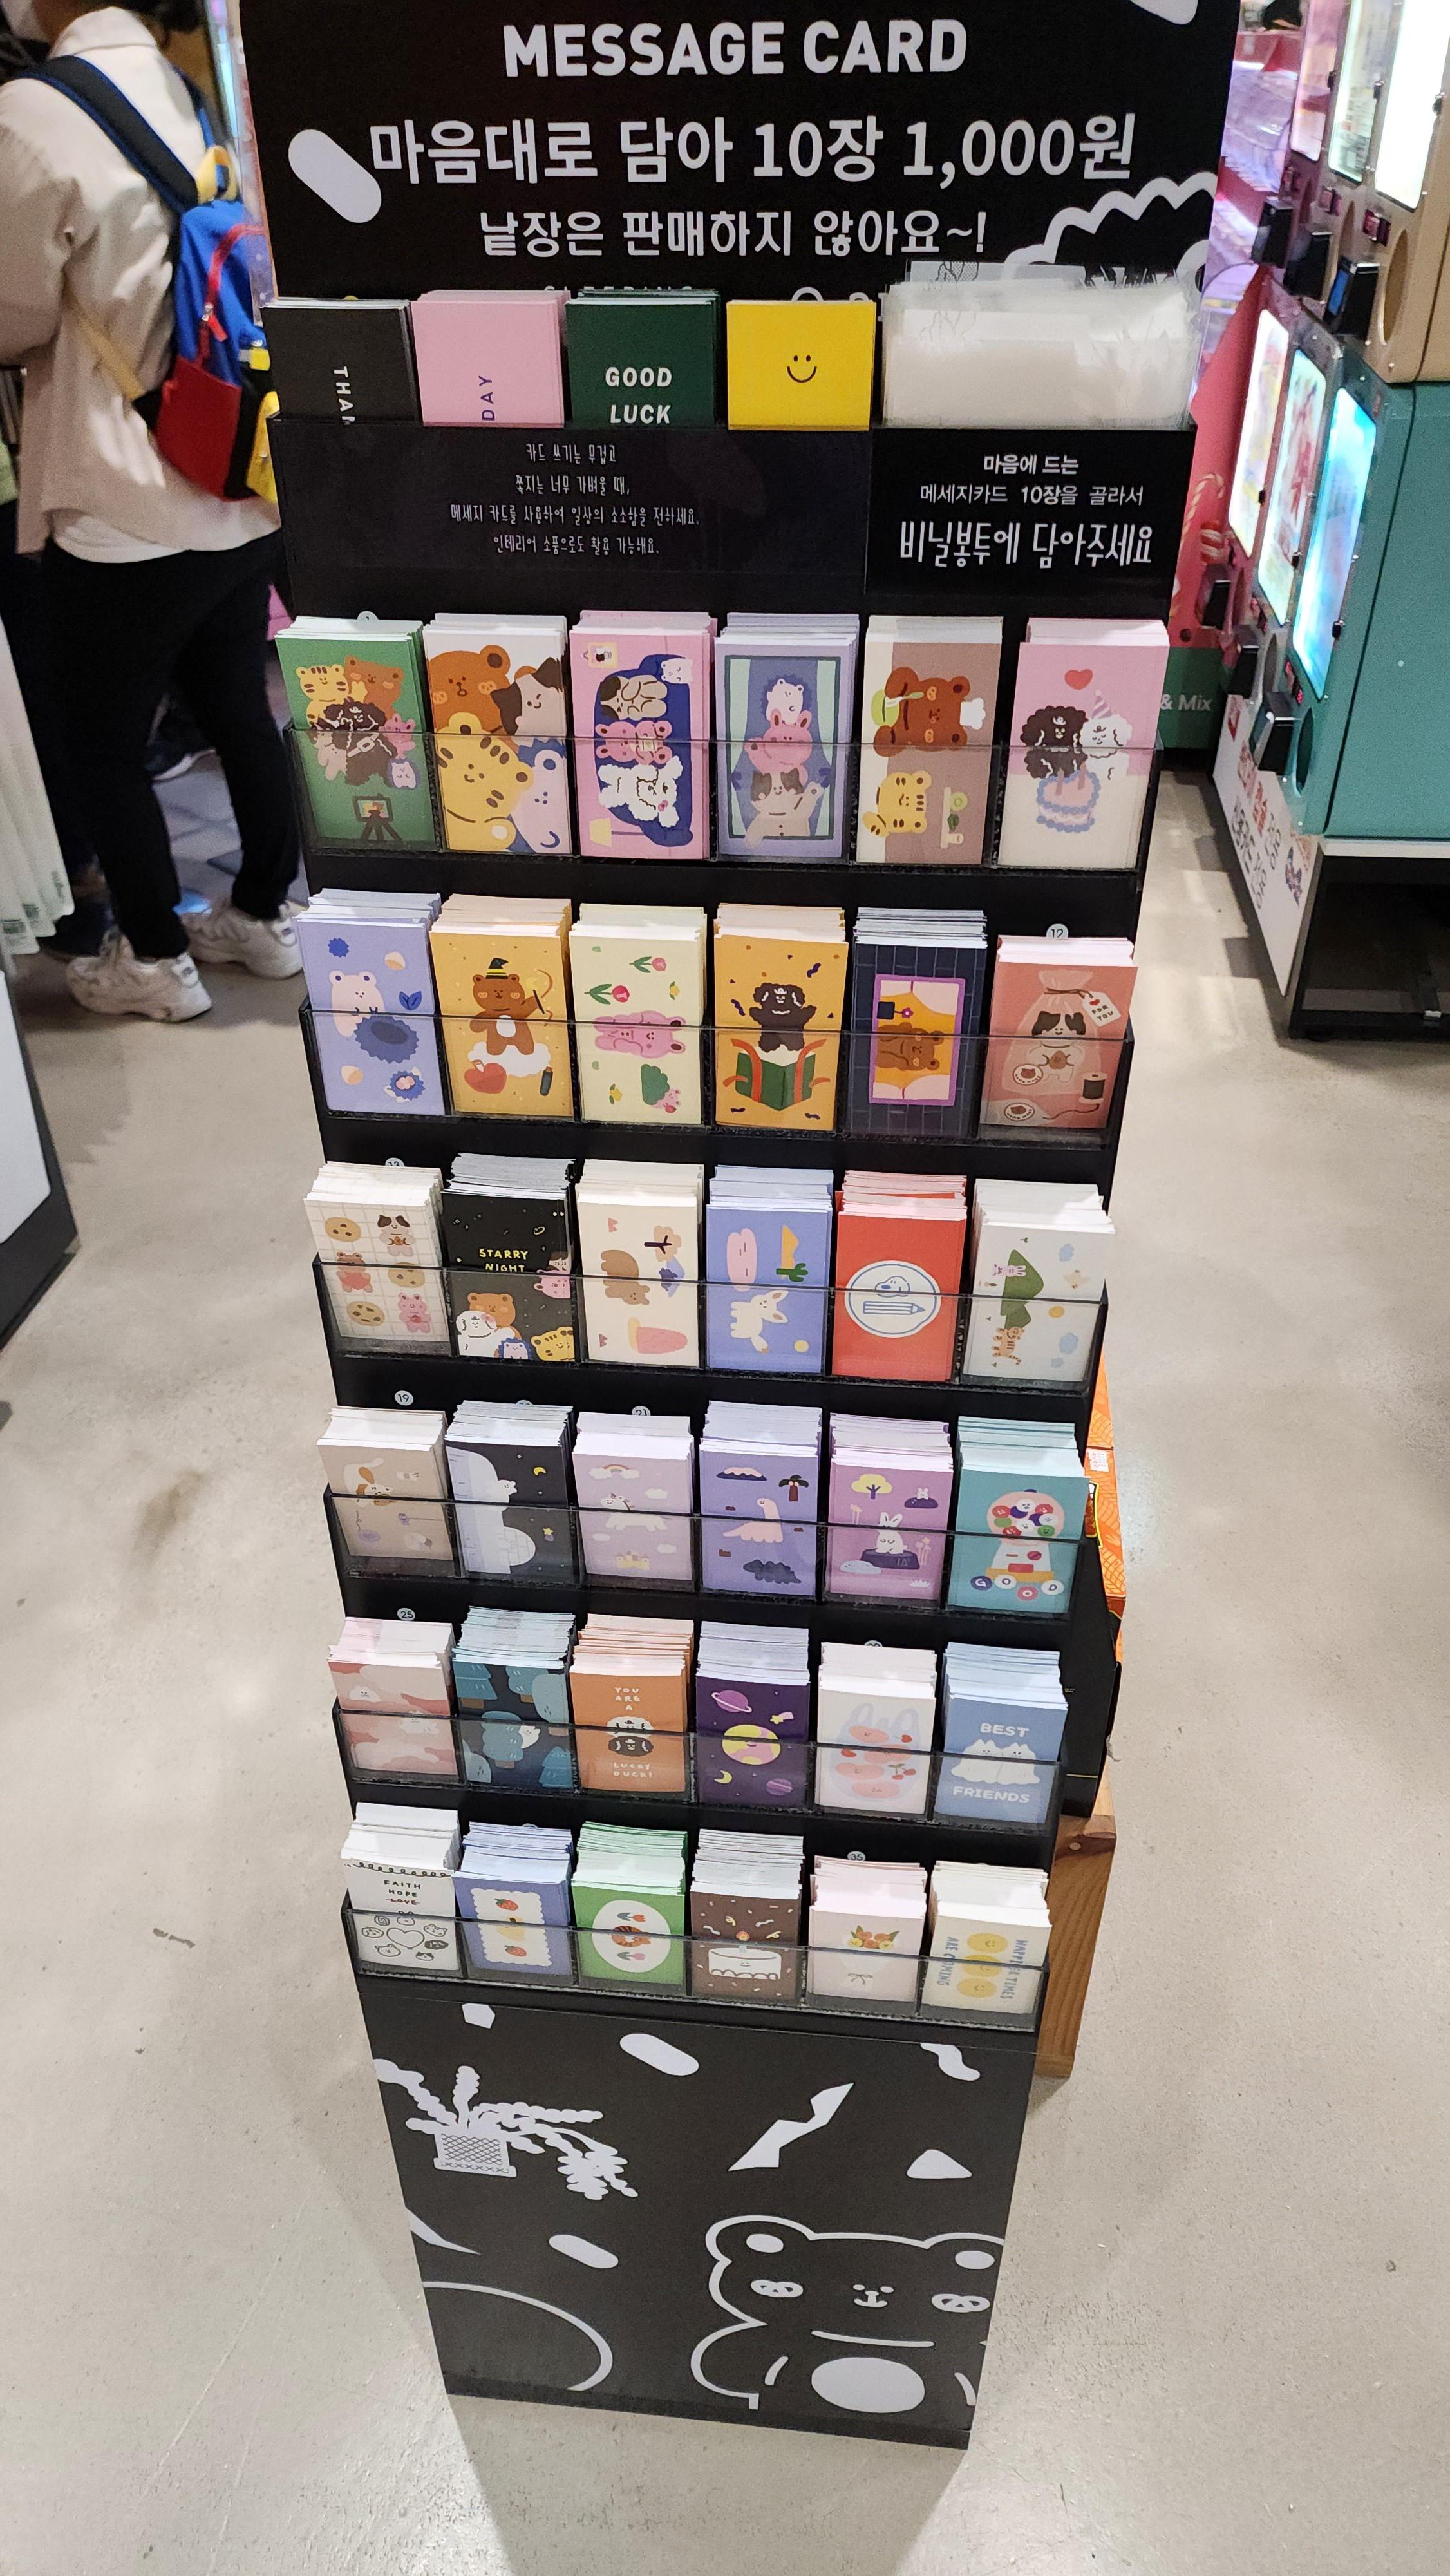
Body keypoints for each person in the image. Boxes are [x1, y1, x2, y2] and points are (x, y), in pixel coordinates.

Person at [0, 0, 301, 1021]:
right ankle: (264, 916)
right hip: (235, 472)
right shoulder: (188, 87)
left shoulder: (32, 113)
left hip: (123, 495)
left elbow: (12, 312)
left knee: (102, 742)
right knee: (239, 707)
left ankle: (158, 962)